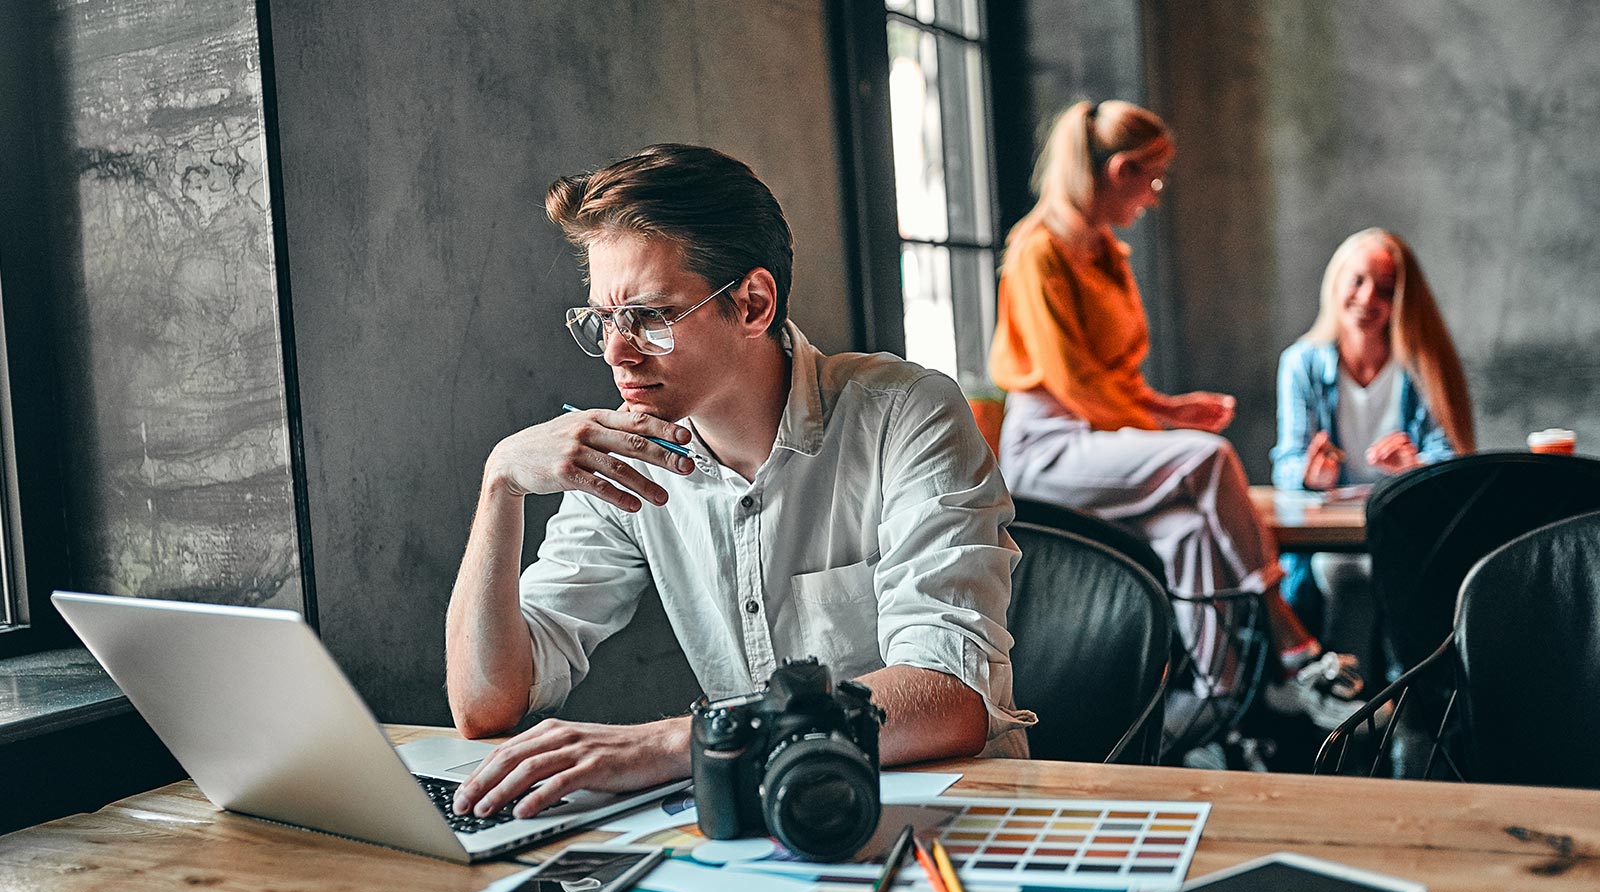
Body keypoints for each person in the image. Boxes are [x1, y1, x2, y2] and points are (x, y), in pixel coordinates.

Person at [446, 144, 1033, 821]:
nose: (616, 351)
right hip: (766, 831)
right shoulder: (629, 454)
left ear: (753, 304)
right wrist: (500, 486)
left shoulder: (907, 413)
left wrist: (674, 742)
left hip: (951, 820)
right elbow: (485, 704)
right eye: (604, 319)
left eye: (649, 317)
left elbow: (948, 692)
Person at [987, 99, 1358, 729]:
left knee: (1187, 531)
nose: (1154, 195)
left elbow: (1112, 377)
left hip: (1099, 432)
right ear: (1118, 170)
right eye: (1151, 178)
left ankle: (1222, 702)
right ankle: (1287, 631)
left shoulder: (1107, 255)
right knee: (1209, 457)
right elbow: (1073, 384)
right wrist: (1167, 427)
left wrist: (1166, 406)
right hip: (1047, 449)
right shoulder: (1036, 252)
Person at [1270, 227, 1475, 681]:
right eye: (1358, 280)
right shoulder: (1302, 364)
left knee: (1401, 571)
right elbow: (1287, 464)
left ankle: (1398, 712)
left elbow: (1454, 466)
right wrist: (1311, 476)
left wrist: (1414, 470)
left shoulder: (1422, 365)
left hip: (1407, 530)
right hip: (1335, 543)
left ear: (1404, 300)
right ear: (1336, 281)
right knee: (1345, 572)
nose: (1368, 298)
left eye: (1386, 289)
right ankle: (1360, 716)